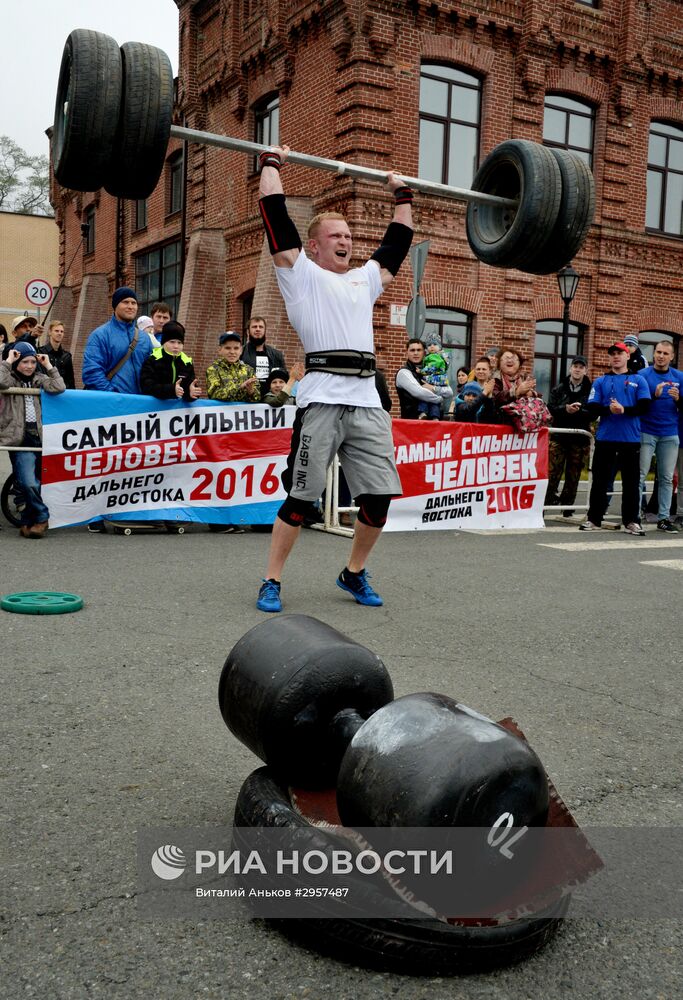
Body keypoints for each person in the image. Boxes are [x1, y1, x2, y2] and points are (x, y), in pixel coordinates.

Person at [255, 143, 412, 613]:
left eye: (348, 235)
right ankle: (271, 580)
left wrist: (401, 192)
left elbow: (398, 242)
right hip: (322, 397)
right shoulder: (299, 274)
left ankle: (354, 572)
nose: (346, 240)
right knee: (301, 498)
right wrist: (271, 163)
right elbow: (275, 215)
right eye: (336, 235)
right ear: (316, 244)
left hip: (366, 400)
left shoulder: (365, 278)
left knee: (379, 499)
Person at [579, 341, 651, 534]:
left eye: (620, 353)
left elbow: (644, 407)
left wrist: (624, 409)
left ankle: (631, 521)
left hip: (630, 439)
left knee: (631, 482)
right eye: (612, 354)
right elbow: (592, 409)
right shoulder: (601, 381)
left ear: (628, 356)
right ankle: (594, 519)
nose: (616, 357)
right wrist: (608, 410)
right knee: (600, 480)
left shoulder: (639, 380)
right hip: (606, 438)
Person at [0, 342, 66, 537]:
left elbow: (59, 386)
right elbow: (0, 382)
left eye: (31, 362)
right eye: (24, 362)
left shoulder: (38, 378)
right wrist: (8, 361)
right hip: (20, 440)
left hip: (40, 438)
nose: (29, 366)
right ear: (17, 362)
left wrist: (47, 366)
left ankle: (29, 522)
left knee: (34, 481)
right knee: (29, 483)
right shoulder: (10, 379)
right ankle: (43, 516)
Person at [637, 340, 681, 533]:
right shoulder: (642, 375)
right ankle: (635, 514)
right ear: (653, 354)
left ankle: (663, 518)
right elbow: (637, 403)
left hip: (670, 433)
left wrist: (679, 399)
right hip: (646, 431)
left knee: (666, 478)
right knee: (640, 475)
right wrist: (653, 395)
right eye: (658, 352)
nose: (661, 356)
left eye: (665, 353)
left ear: (672, 357)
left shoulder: (679, 377)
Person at [545, 356, 592, 517]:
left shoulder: (590, 390)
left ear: (585, 370)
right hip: (559, 436)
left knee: (574, 474)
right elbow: (550, 408)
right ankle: (546, 504)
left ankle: (567, 507)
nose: (578, 369)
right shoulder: (559, 388)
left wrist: (580, 411)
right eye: (575, 366)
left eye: (581, 367)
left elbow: (592, 412)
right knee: (552, 473)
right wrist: (565, 409)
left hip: (579, 439)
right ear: (570, 369)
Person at [81, 287, 151, 394]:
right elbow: (92, 372)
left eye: (134, 303)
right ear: (115, 306)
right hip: (111, 405)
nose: (130, 306)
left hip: (140, 405)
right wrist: (113, 397)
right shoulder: (100, 335)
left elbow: (152, 370)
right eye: (125, 302)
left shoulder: (144, 338)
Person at [140, 321, 202, 401]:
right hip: (154, 410)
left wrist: (191, 392)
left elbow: (190, 387)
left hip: (177, 412)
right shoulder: (152, 360)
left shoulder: (187, 362)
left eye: (179, 343)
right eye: (172, 342)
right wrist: (171, 390)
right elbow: (146, 386)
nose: (176, 346)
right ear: (163, 342)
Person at [206, 332, 261, 403]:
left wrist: (251, 392)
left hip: (243, 413)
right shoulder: (213, 370)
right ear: (219, 350)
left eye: (236, 348)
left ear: (241, 350)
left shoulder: (249, 370)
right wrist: (240, 387)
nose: (232, 352)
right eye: (228, 348)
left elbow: (258, 398)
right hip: (223, 413)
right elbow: (215, 394)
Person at [395, 339, 441, 418]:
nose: (416, 353)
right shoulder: (403, 372)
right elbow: (419, 393)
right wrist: (439, 399)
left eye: (419, 350)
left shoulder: (431, 370)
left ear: (424, 352)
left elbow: (448, 391)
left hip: (433, 423)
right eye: (412, 350)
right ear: (407, 353)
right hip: (412, 423)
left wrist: (434, 388)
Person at [491, 348, 537, 424]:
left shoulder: (525, 378)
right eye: (506, 358)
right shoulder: (493, 378)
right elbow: (496, 398)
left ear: (519, 364)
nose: (510, 361)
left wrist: (531, 394)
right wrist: (516, 391)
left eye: (514, 359)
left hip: (524, 424)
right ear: (499, 362)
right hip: (500, 422)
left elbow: (537, 401)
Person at [240, 316, 286, 385]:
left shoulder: (276, 355)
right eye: (254, 327)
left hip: (270, 394)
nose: (258, 329)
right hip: (248, 394)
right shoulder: (240, 353)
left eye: (261, 327)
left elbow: (283, 377)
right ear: (247, 331)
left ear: (265, 331)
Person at [417, 337, 453, 419]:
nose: (432, 346)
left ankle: (422, 412)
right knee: (435, 401)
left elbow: (432, 366)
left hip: (433, 379)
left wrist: (422, 371)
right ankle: (435, 417)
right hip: (438, 380)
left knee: (425, 396)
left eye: (435, 344)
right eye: (429, 345)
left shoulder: (435, 356)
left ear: (440, 347)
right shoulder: (439, 356)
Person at [42, 320, 76, 389]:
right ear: (50, 332)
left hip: (63, 394)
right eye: (56, 331)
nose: (59, 333)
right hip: (47, 392)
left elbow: (70, 381)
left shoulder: (67, 356)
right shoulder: (41, 352)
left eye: (62, 331)